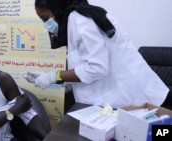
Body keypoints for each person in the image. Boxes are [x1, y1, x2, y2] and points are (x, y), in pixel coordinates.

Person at [22, 0, 172, 109]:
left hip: (129, 97)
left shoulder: (79, 20)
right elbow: (82, 68)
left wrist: (54, 76)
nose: (45, 24)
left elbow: (96, 68)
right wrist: (49, 77)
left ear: (56, 7)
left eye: (44, 18)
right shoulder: (77, 18)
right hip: (116, 97)